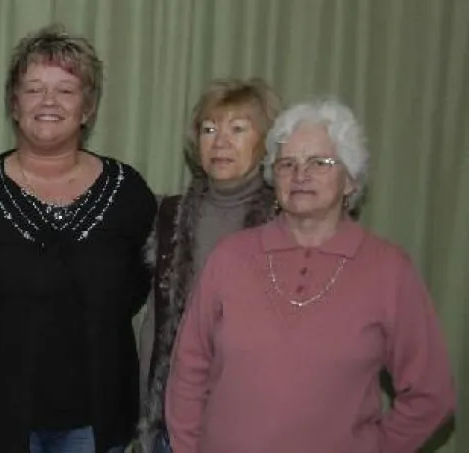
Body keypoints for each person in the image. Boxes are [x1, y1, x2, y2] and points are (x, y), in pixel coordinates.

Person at [165, 99, 456, 452]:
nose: (301, 175)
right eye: (288, 163)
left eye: (320, 162)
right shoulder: (231, 256)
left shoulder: (389, 269)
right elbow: (188, 371)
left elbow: (431, 395)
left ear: (350, 179)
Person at [0, 24, 156, 453]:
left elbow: (140, 286)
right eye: (34, 89)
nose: (48, 102)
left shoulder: (129, 192)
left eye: (66, 90)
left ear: (88, 108)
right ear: (14, 104)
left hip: (94, 419)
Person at [133, 78, 281, 452]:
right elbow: (155, 323)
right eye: (209, 129)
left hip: (256, 424)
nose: (220, 142)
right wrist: (145, 417)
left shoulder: (287, 221)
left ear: (266, 141)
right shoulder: (170, 215)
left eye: (237, 129)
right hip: (171, 421)